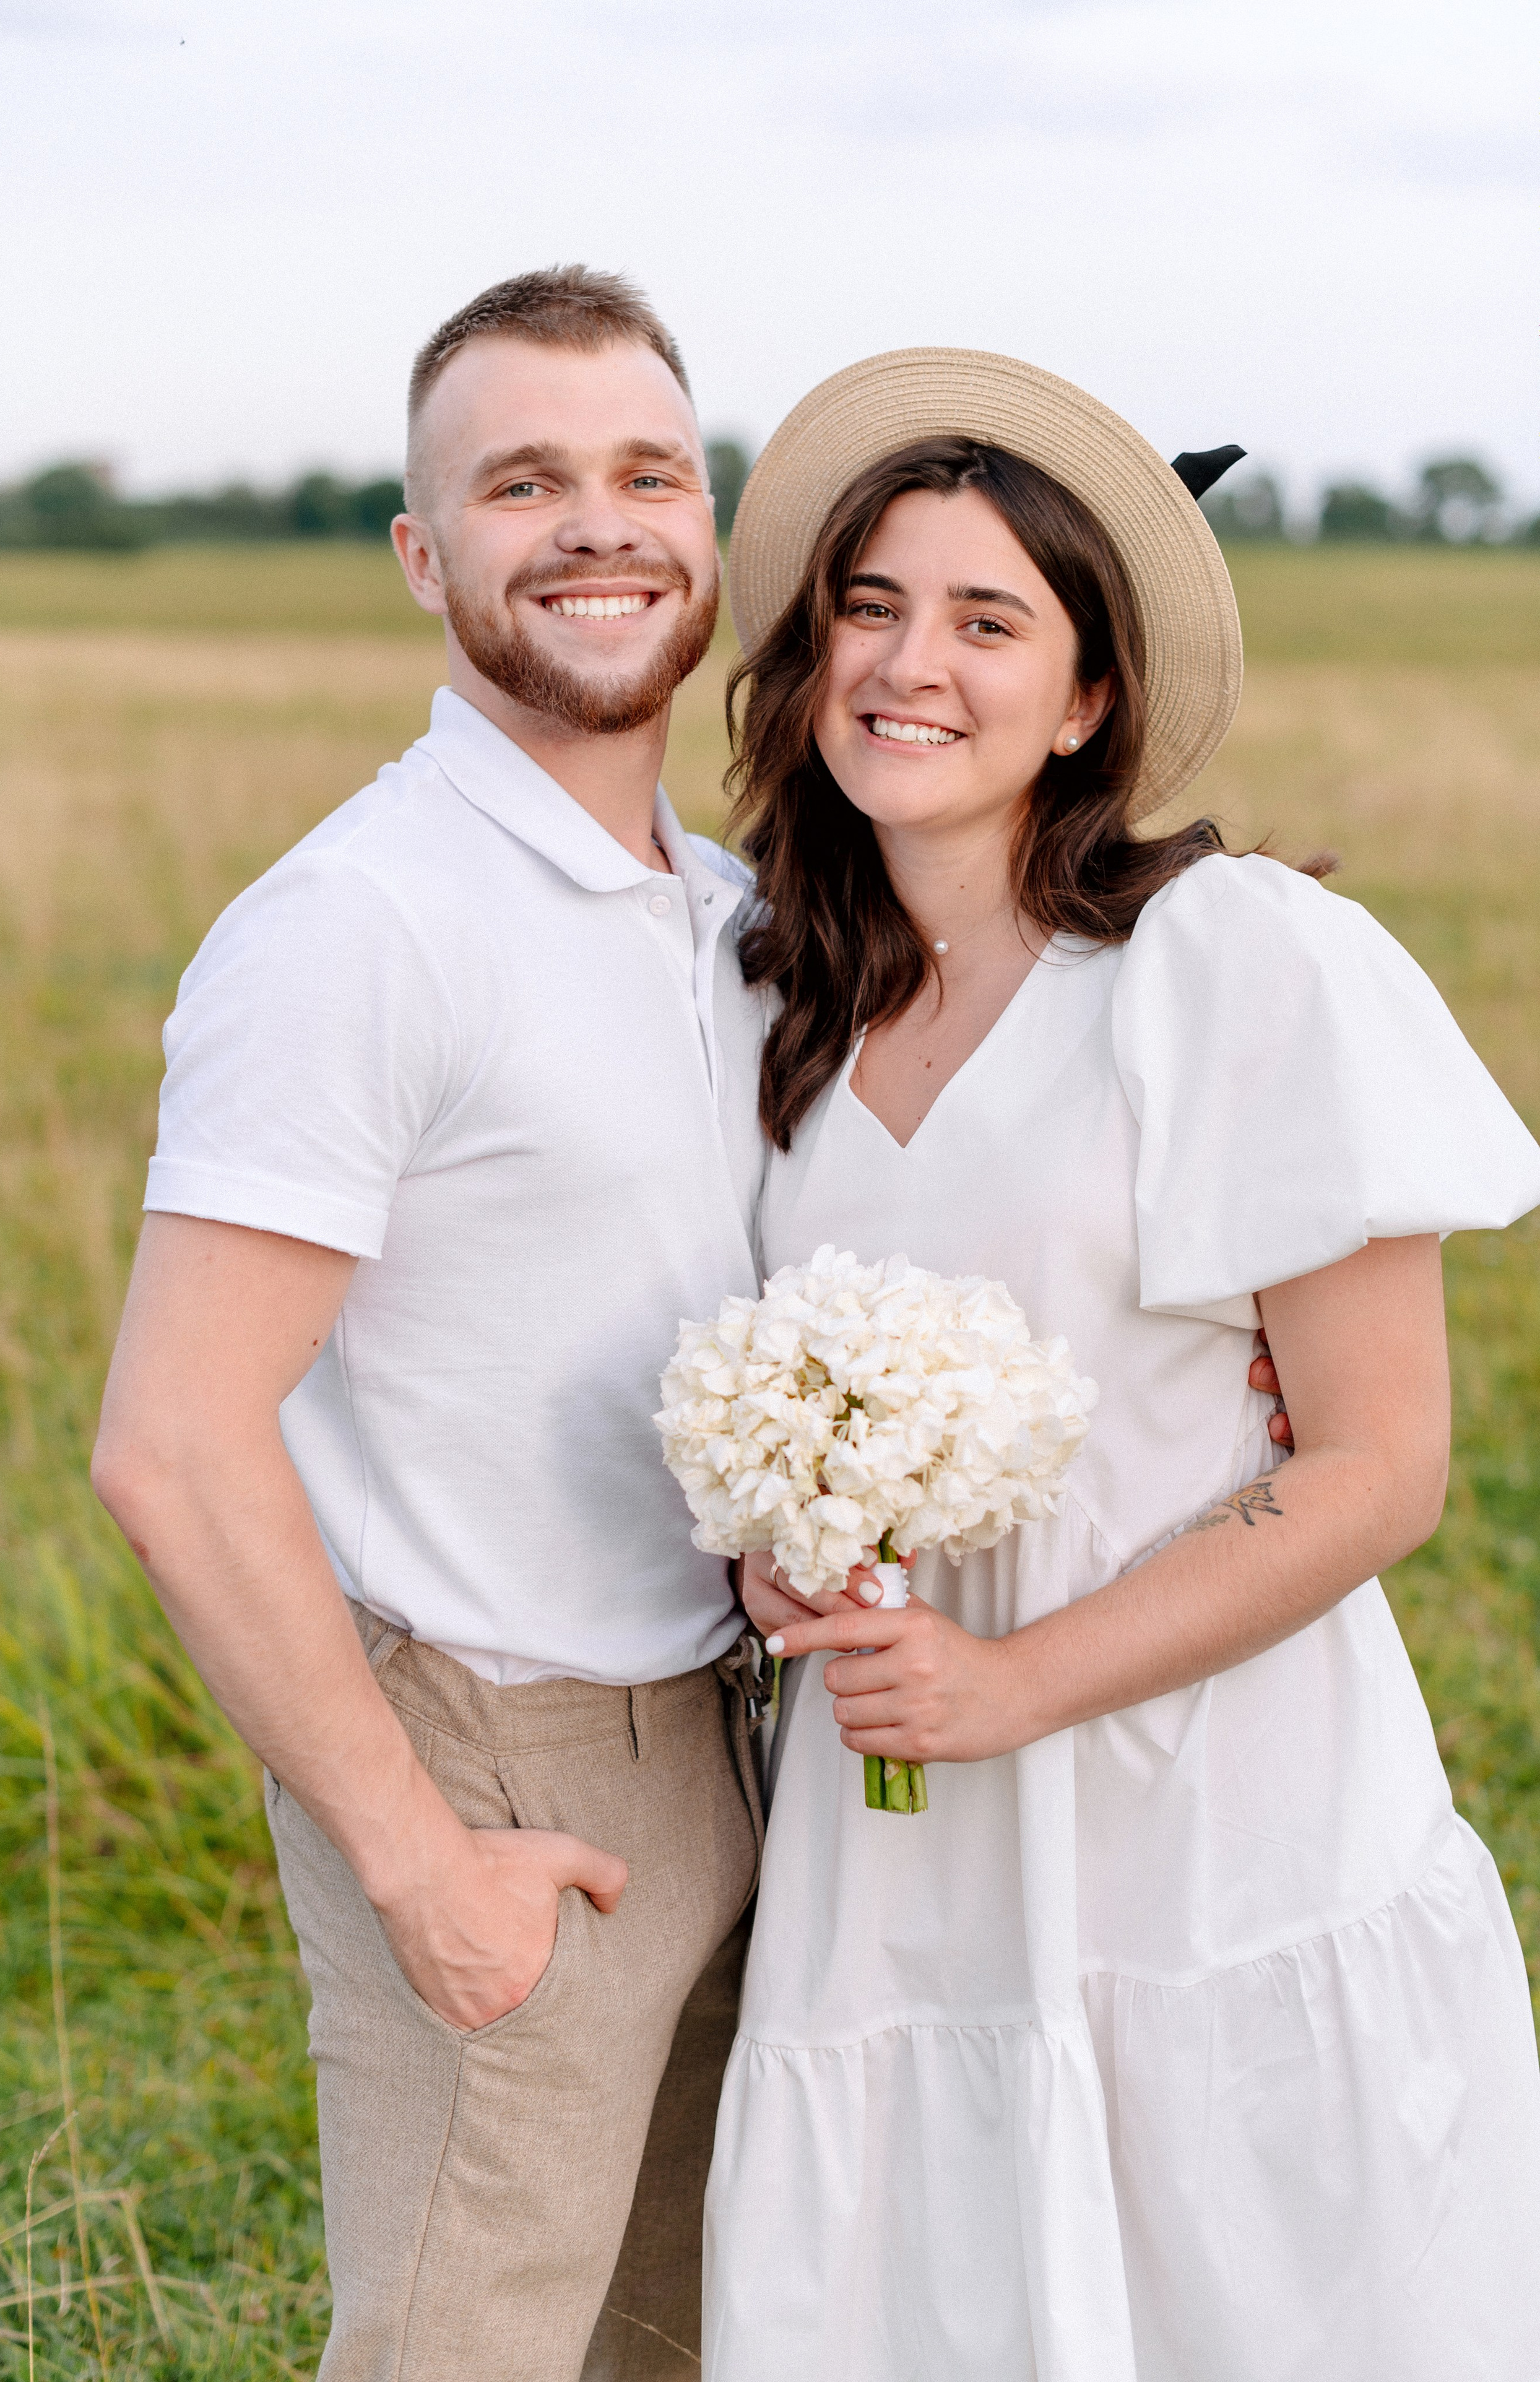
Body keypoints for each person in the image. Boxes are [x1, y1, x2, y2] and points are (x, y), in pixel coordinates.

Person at [701, 350, 1540, 2381]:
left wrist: (1017, 1682)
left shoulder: (1229, 961)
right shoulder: (772, 1003)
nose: (914, 665)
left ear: (1088, 699)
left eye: (991, 621)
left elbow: (1377, 1467)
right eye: (870, 609)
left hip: (1203, 1802)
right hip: (899, 1843)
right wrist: (778, 1550)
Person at [92, 265, 772, 2382]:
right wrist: (416, 1855)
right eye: (524, 482)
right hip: (495, 1758)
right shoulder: (356, 929)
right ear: (424, 553)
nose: (599, 522)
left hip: (734, 1732)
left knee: (676, 2338)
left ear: (712, 532)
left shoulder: (731, 907)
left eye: (647, 471)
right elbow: (174, 1443)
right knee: (459, 2354)